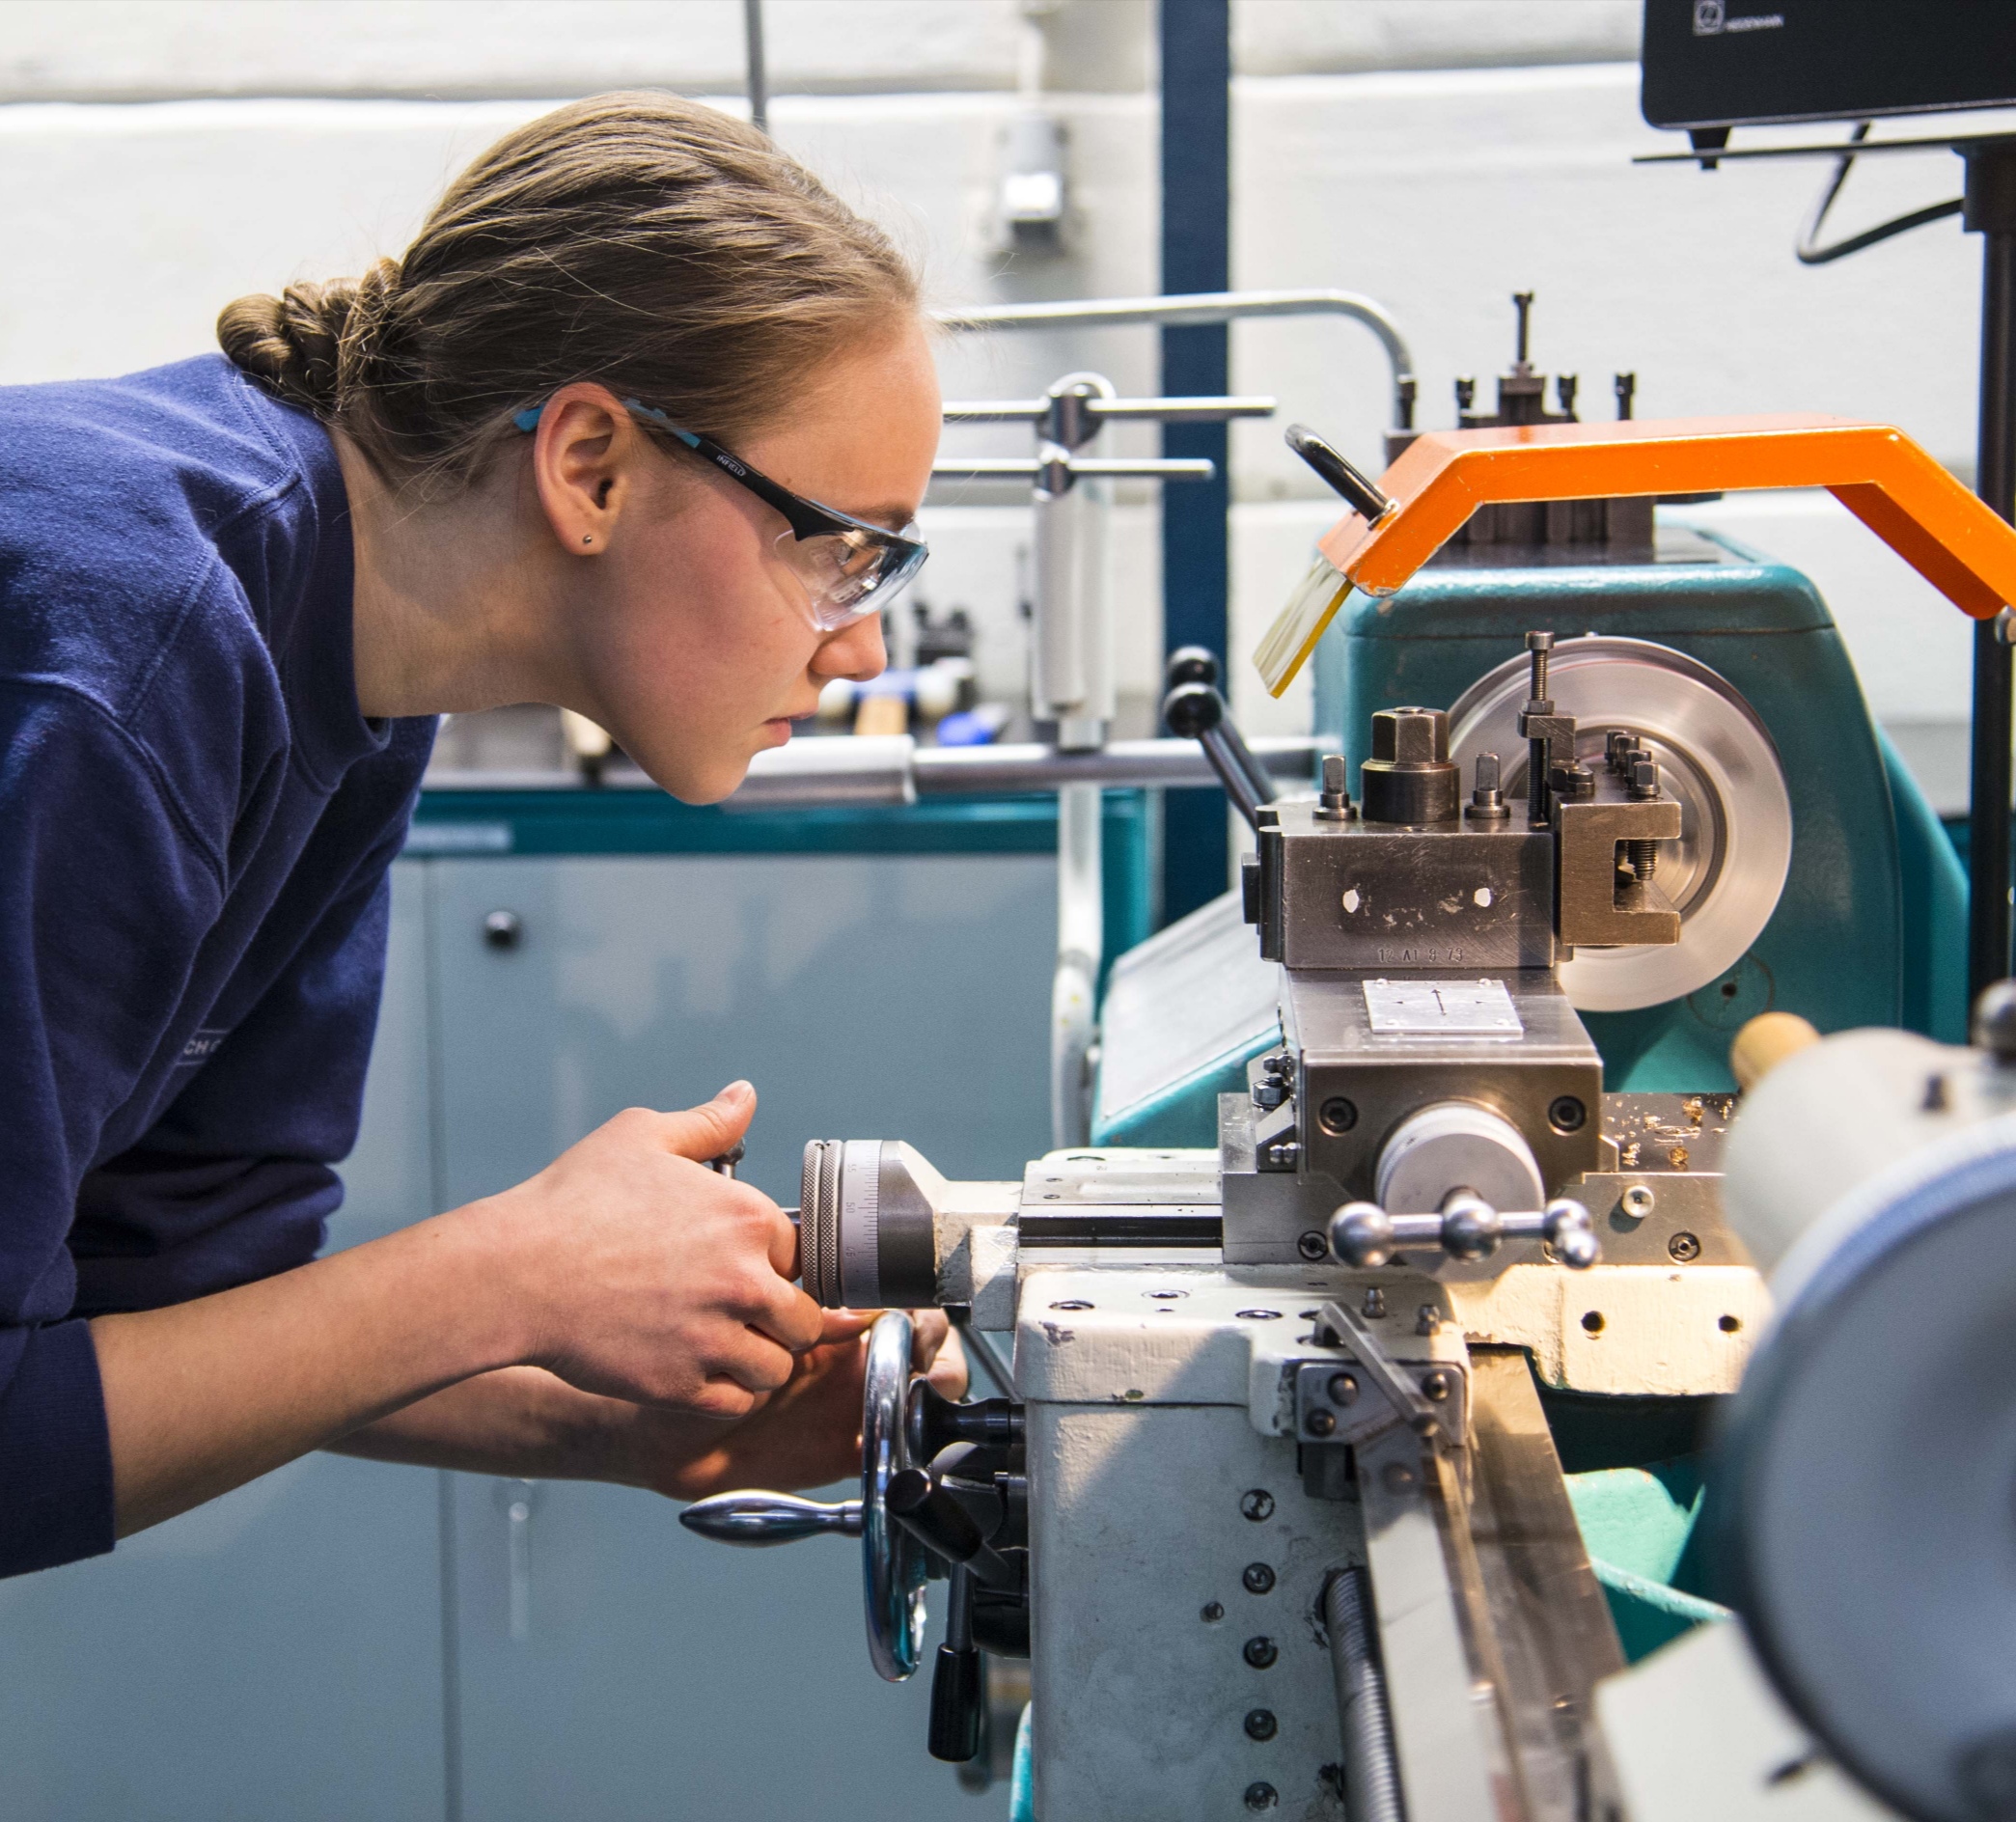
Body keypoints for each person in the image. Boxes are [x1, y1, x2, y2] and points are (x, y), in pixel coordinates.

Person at [0, 90, 960, 1580]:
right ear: (590, 467)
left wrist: (618, 1427)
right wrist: (513, 1270)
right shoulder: (130, 654)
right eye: (838, 549)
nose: (861, 653)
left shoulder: (354, 682)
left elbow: (166, 1298)